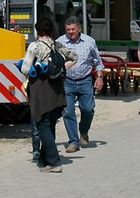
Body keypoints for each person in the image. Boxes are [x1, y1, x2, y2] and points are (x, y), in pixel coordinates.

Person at [20, 18, 77, 173]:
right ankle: (44, 161)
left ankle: (54, 162)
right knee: (50, 124)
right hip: (57, 89)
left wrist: (39, 70)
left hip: (41, 89)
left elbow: (25, 68)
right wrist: (59, 69)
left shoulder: (35, 46)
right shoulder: (57, 45)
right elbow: (74, 57)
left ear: (37, 31)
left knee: (42, 125)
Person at [56, 17, 105, 153]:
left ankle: (83, 131)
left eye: (73, 29)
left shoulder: (89, 41)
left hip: (85, 80)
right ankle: (73, 141)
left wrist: (99, 77)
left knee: (88, 109)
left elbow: (97, 61)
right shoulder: (59, 42)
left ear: (79, 28)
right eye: (68, 30)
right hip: (67, 81)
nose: (70, 32)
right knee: (68, 111)